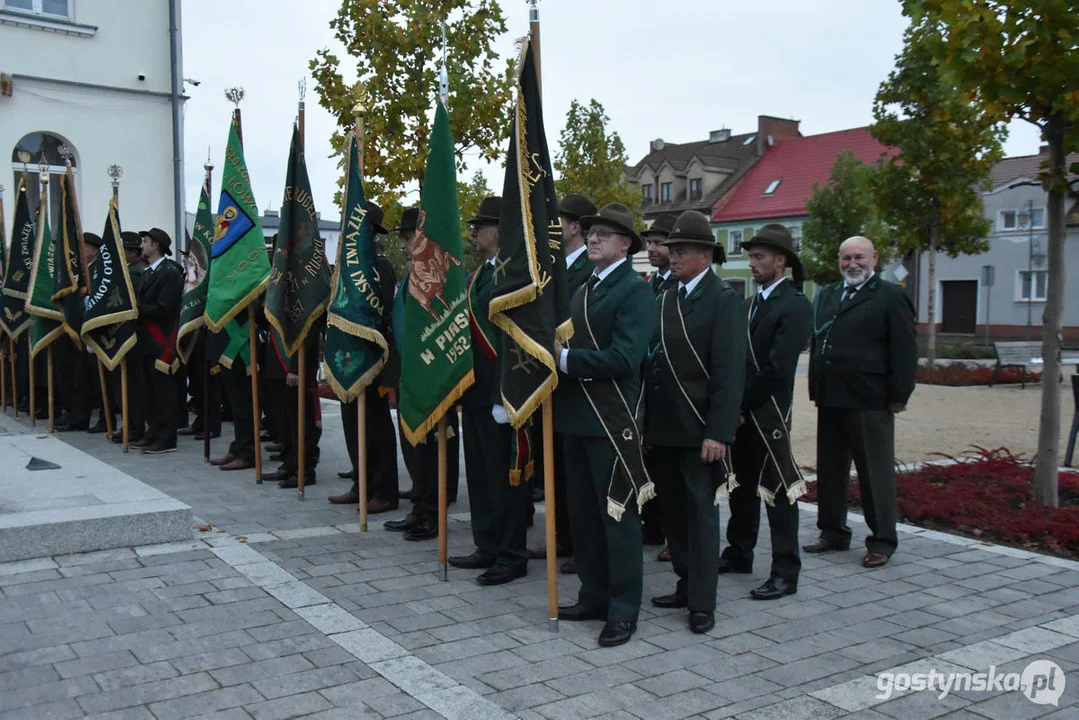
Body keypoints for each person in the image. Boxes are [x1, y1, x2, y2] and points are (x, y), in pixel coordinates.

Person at [553, 202, 656, 648]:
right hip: (577, 418)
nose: (593, 238)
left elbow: (626, 357)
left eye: (604, 234)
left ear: (626, 244)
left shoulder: (634, 290)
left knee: (617, 517)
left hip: (611, 421)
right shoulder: (586, 289)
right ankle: (592, 594)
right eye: (591, 232)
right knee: (584, 517)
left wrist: (566, 360)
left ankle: (623, 608)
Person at [643, 210, 745, 634]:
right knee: (673, 516)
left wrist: (719, 432)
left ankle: (703, 601)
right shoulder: (666, 296)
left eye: (682, 250)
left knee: (701, 518)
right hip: (664, 426)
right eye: (673, 249)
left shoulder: (724, 299)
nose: (674, 255)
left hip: (699, 429)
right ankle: (685, 584)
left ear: (705, 254)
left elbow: (729, 371)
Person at [805, 235, 917, 569]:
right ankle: (833, 532)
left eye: (859, 258)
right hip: (831, 397)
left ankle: (882, 540)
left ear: (874, 259)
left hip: (870, 400)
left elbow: (905, 351)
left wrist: (899, 395)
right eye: (846, 258)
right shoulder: (826, 295)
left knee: (875, 473)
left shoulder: (890, 296)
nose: (852, 264)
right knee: (830, 470)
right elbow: (818, 341)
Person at [721, 224, 812, 600]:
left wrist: (739, 404)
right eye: (751, 257)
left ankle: (785, 571)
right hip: (742, 411)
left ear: (781, 261)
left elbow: (777, 370)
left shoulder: (795, 305)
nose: (752, 264)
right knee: (741, 487)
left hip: (768, 412)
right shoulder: (750, 303)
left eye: (759, 257)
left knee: (777, 491)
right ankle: (739, 551)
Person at [448, 195, 532, 586]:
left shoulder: (516, 274)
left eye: (480, 225)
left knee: (506, 479)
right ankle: (487, 543)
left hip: (504, 392)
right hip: (477, 391)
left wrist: (507, 391)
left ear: (499, 230)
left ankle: (511, 554)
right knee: (480, 475)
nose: (474, 232)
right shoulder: (479, 273)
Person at [527, 193, 596, 572]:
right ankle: (558, 537)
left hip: (574, 378)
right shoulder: (552, 267)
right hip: (549, 380)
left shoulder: (588, 268)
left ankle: (575, 545)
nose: (551, 227)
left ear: (575, 227)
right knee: (551, 465)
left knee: (571, 474)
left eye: (559, 220)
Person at [384, 207, 460, 541]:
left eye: (406, 237)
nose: (402, 245)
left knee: (432, 449)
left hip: (431, 371)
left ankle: (432, 510)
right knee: (413, 444)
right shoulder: (409, 273)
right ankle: (418, 505)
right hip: (409, 372)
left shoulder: (438, 273)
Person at [331, 201, 400, 511]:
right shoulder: (348, 265)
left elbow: (383, 312)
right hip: (349, 357)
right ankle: (361, 483)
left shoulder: (380, 265)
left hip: (371, 357)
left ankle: (384, 491)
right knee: (351, 422)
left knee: (375, 425)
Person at [640, 212, 678, 559]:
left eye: (658, 243)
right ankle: (652, 525)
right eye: (649, 243)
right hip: (648, 386)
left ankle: (672, 532)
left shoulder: (676, 285)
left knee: (669, 466)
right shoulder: (652, 283)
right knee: (649, 460)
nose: (652, 248)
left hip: (670, 387)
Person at [131, 228, 184, 454]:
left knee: (163, 393)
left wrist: (136, 310)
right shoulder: (148, 272)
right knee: (148, 392)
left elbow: (165, 307)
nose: (142, 245)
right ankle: (152, 432)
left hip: (161, 340)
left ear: (155, 246)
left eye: (145, 241)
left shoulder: (169, 272)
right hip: (145, 340)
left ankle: (166, 437)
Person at [111, 231, 148, 444]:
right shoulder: (128, 271)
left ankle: (134, 427)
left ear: (132, 252)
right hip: (125, 337)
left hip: (132, 337)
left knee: (132, 386)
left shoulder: (134, 274)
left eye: (123, 250)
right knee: (125, 385)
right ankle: (130, 424)